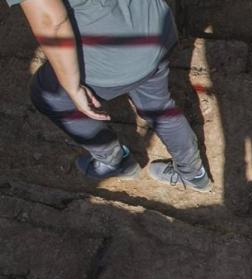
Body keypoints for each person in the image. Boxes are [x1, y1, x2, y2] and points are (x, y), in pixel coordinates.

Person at [10, 0, 211, 191]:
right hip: (155, 23)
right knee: (159, 104)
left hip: (112, 56)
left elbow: (51, 22)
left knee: (48, 96)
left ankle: (115, 161)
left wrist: (72, 87)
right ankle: (193, 173)